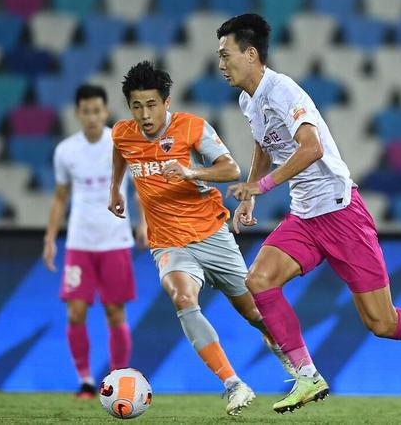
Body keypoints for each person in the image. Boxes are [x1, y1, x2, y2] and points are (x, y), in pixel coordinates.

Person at [216, 13, 401, 413]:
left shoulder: (283, 91)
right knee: (259, 279)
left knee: (381, 323)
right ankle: (307, 375)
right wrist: (251, 193)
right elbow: (263, 143)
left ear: (251, 54)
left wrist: (262, 186)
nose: (221, 64)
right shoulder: (247, 100)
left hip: (341, 214)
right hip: (305, 216)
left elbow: (312, 148)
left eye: (226, 54)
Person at [108, 61, 294, 416]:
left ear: (166, 102)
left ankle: (281, 346)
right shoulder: (122, 133)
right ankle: (234, 384)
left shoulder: (191, 127)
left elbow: (231, 169)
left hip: (211, 235)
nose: (144, 115)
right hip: (168, 242)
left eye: (151, 105)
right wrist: (115, 189)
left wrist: (190, 171)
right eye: (136, 106)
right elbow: (121, 151)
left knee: (254, 312)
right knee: (182, 297)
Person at [43, 84, 147, 399]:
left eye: (97, 111)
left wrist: (144, 223)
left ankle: (117, 380)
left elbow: (140, 188)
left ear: (105, 112)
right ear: (78, 113)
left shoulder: (121, 143)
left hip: (115, 241)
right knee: (75, 313)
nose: (91, 117)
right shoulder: (65, 151)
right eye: (86, 111)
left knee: (115, 313)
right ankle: (86, 381)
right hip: (79, 243)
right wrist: (50, 238)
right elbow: (60, 197)